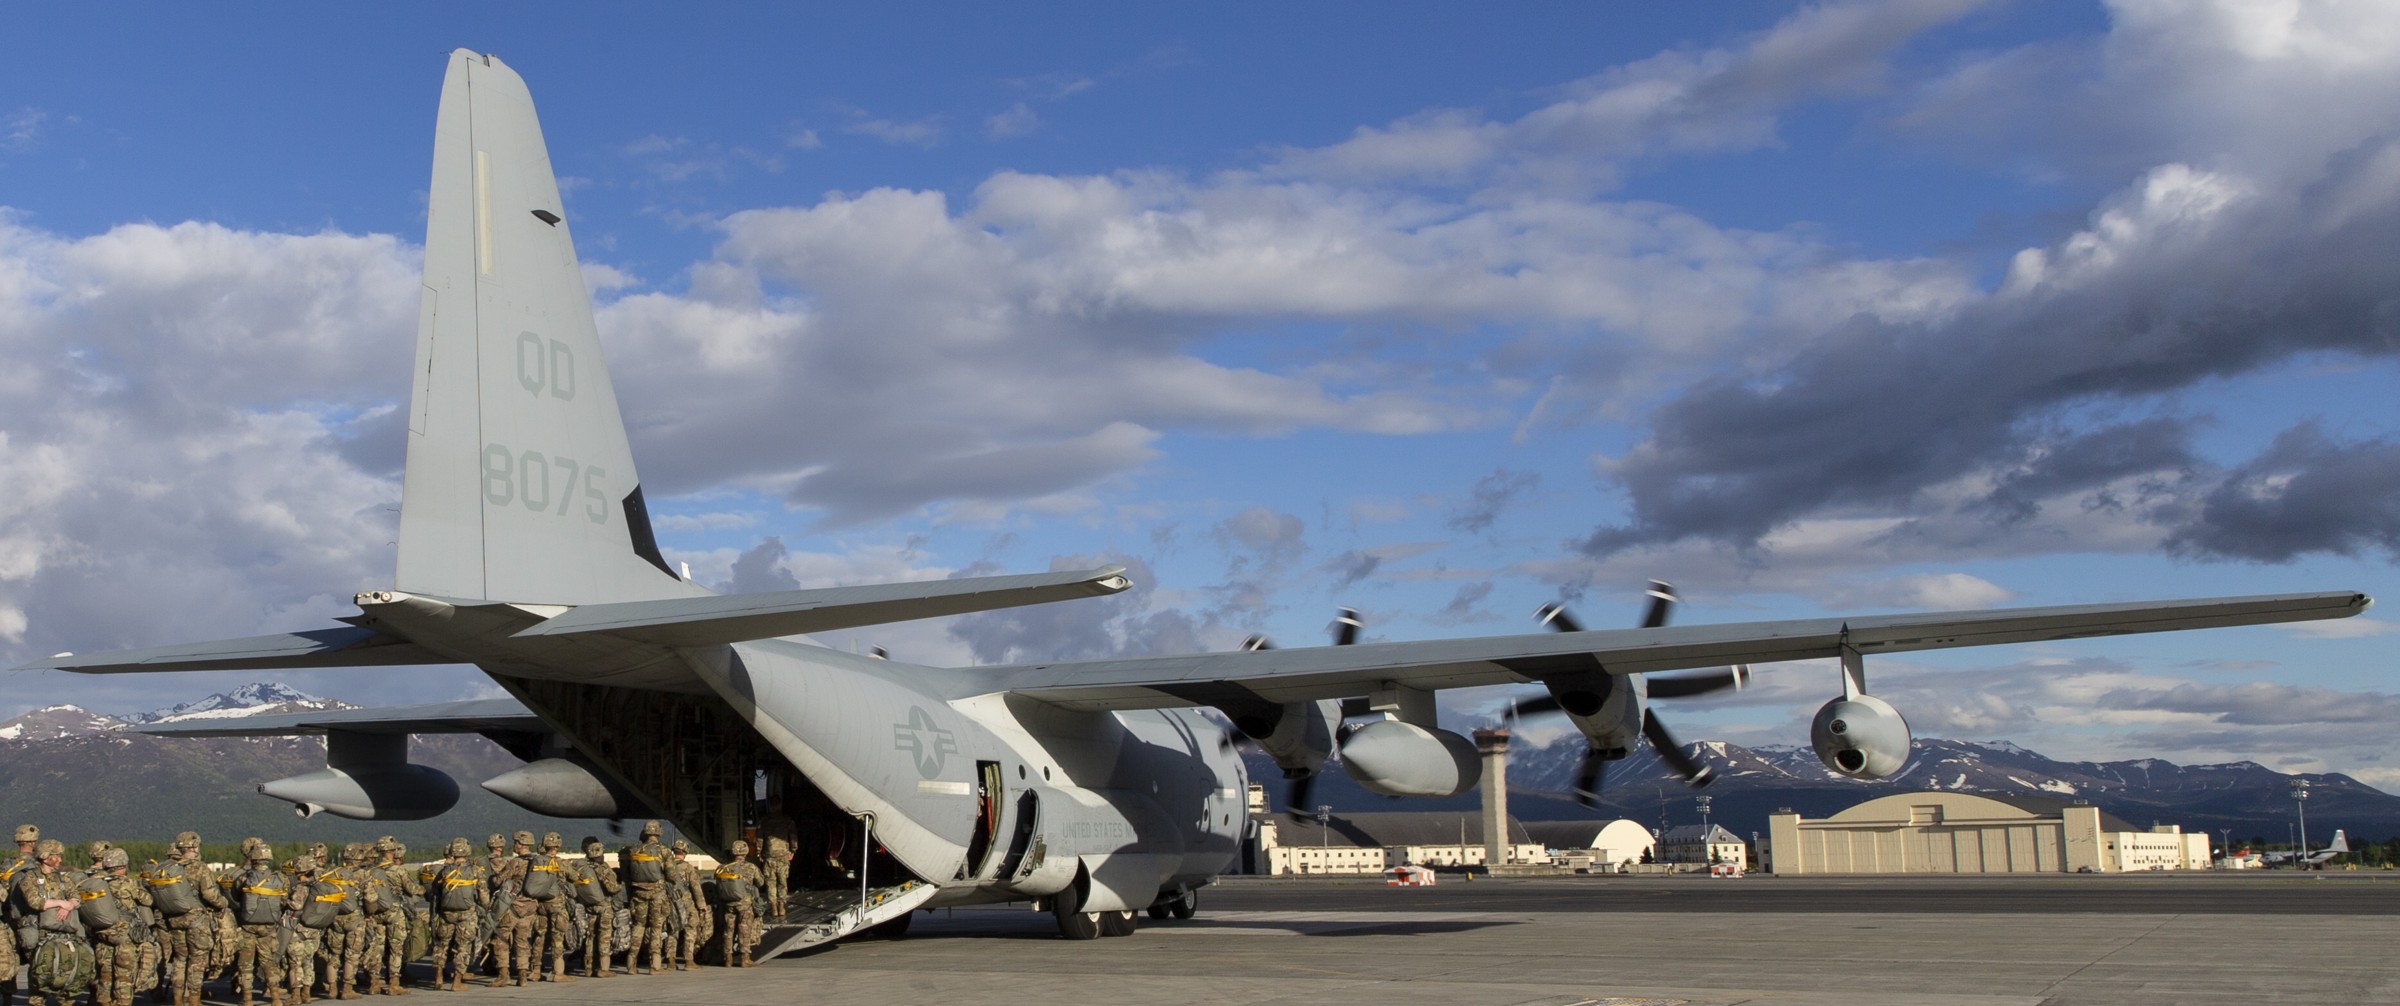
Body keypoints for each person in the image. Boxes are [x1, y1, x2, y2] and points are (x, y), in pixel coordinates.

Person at [149, 831, 228, 1006]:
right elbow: (209, 895)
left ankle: (177, 1000)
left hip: (174, 921)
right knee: (197, 962)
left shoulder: (168, 868)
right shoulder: (199, 867)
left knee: (179, 960)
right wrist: (223, 903)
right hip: (196, 921)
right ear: (194, 847)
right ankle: (194, 1000)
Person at [15, 838, 88, 1006]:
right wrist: (60, 903)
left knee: (67, 977)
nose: (60, 860)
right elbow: (35, 901)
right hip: (41, 934)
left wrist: (69, 905)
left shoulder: (63, 879)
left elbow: (77, 897)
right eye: (56, 856)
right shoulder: (29, 878)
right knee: (40, 978)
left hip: (64, 935)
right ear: (46, 857)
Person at [82, 847, 150, 1006]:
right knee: (124, 978)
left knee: (104, 976)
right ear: (123, 865)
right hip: (124, 937)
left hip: (102, 935)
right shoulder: (129, 883)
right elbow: (147, 900)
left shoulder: (95, 883)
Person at [230, 847, 298, 1006]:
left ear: (253, 859)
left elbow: (236, 896)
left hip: (248, 926)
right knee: (270, 963)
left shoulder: (243, 877)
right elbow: (284, 900)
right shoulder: (281, 879)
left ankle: (247, 999)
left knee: (245, 963)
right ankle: (275, 998)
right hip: (269, 927)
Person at [423, 841, 485, 993]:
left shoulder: (444, 871)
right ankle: (457, 982)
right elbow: (483, 896)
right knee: (463, 947)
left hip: (446, 914)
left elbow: (435, 893)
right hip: (467, 914)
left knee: (441, 946)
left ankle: (438, 978)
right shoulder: (475, 871)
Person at [517, 833, 574, 984]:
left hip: (540, 904)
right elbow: (575, 877)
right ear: (558, 845)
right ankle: (558, 972)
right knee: (557, 938)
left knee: (539, 937)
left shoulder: (536, 861)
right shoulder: (561, 863)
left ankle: (535, 970)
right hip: (556, 904)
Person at [365, 837, 418, 996]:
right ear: (392, 851)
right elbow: (411, 889)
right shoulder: (398, 870)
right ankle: (394, 983)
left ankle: (374, 982)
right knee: (396, 949)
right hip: (394, 912)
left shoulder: (370, 870)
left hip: (376, 913)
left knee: (376, 948)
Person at [619, 821, 670, 974]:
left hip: (638, 893)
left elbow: (627, 875)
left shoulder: (634, 850)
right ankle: (655, 965)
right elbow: (672, 874)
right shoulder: (663, 851)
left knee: (638, 926)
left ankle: (631, 964)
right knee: (656, 928)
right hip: (657, 894)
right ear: (659, 833)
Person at [484, 832, 532, 987]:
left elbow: (499, 880)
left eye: (516, 842)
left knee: (500, 939)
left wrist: (493, 879)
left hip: (513, 907)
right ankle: (523, 976)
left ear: (520, 844)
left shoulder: (515, 862)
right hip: (529, 907)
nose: (514, 845)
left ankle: (503, 975)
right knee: (522, 941)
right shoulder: (538, 861)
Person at [570, 839, 622, 978]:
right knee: (605, 936)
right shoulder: (602, 868)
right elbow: (612, 888)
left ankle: (588, 967)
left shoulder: (582, 867)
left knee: (590, 936)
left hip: (589, 906)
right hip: (604, 906)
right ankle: (604, 969)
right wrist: (621, 886)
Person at [288, 857, 334, 1005]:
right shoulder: (320, 886)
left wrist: (284, 900)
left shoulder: (301, 887)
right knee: (308, 962)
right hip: (314, 930)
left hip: (299, 929)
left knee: (295, 962)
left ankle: (296, 994)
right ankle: (307, 993)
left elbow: (296, 905)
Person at [712, 840, 766, 968]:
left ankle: (728, 959)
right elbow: (760, 883)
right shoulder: (751, 867)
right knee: (744, 929)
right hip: (744, 903)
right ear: (746, 853)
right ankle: (745, 958)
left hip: (728, 904)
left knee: (728, 930)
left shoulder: (724, 867)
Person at [0, 824, 37, 1006]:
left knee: (8, 963)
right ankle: (35, 999)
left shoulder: (6, 866)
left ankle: (7, 1000)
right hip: (31, 921)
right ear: (33, 842)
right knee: (35, 961)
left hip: (7, 921)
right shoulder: (37, 866)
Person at [661, 840, 711, 972]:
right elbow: (696, 888)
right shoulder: (688, 868)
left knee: (673, 930)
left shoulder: (666, 867)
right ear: (685, 852)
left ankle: (670, 961)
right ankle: (689, 960)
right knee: (691, 929)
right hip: (686, 903)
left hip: (671, 902)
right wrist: (702, 905)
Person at [762, 835, 792, 918]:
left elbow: (760, 838)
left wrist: (758, 852)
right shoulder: (787, 822)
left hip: (769, 857)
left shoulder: (765, 823)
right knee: (782, 883)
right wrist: (793, 850)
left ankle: (774, 908)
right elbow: (792, 837)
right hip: (783, 857)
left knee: (771, 883)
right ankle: (781, 907)